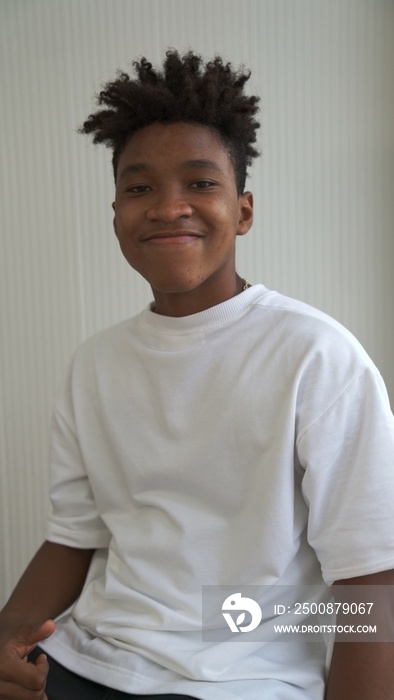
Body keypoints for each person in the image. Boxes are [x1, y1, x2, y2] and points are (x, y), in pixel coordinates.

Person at [1, 50, 394, 700]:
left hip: (243, 681)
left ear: (242, 212)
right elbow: (73, 538)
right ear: (116, 216)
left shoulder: (317, 357)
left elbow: (370, 579)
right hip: (89, 660)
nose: (167, 207)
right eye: (139, 187)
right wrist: (9, 640)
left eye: (200, 183)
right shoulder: (93, 365)